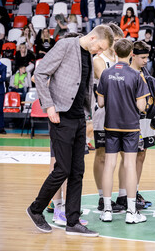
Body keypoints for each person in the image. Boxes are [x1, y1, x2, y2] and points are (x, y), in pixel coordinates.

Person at [26, 24, 114, 236]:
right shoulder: (66, 45)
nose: (100, 53)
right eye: (100, 47)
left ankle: (72, 221)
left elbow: (82, 87)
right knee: (62, 169)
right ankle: (36, 209)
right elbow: (40, 73)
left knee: (77, 172)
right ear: (93, 38)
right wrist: (49, 106)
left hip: (79, 118)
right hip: (60, 116)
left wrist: (88, 115)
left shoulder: (89, 56)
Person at [97, 38, 149, 224]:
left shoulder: (105, 73)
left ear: (116, 52)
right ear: (131, 54)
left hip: (111, 125)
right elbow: (142, 106)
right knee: (129, 165)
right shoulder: (136, 75)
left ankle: (107, 210)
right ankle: (131, 212)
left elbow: (101, 103)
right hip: (131, 127)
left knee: (109, 165)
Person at [92, 23, 125, 213]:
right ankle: (101, 196)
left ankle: (121, 195)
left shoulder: (121, 58)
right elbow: (109, 83)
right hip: (103, 112)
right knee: (102, 154)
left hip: (121, 112)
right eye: (117, 40)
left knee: (123, 154)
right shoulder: (99, 60)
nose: (119, 44)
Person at [129, 41, 155, 209]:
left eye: (147, 57)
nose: (146, 60)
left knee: (142, 155)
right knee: (131, 157)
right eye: (143, 57)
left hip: (146, 118)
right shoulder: (129, 72)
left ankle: (136, 191)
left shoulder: (145, 71)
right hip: (132, 119)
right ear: (133, 55)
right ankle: (127, 194)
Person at [0, 53, 6, 134]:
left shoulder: (3, 66)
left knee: (0, 110)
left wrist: (0, 77)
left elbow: (3, 78)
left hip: (0, 91)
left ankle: (1, 128)